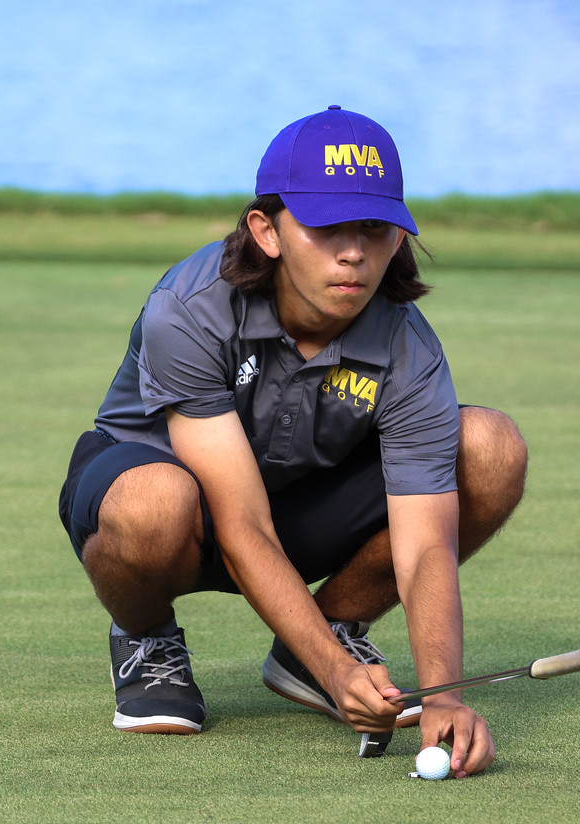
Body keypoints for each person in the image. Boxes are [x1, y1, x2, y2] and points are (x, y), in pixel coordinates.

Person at [58, 106, 527, 779]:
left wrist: (444, 694)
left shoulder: (408, 345)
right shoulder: (190, 309)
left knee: (490, 445)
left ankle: (313, 640)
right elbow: (240, 523)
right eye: (326, 226)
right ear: (267, 230)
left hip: (299, 508)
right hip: (168, 511)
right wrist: (338, 676)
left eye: (373, 228)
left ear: (399, 237)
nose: (352, 251)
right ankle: (148, 637)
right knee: (153, 503)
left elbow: (426, 543)